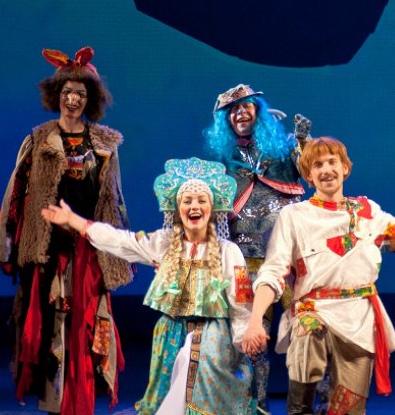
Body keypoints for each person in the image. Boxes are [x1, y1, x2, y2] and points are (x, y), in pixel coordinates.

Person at [241, 136, 395, 415]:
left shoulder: (367, 212)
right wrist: (255, 320)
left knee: (350, 407)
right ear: (308, 176)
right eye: (318, 165)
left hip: (358, 316)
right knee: (307, 341)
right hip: (313, 309)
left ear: (344, 168)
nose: (326, 169)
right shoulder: (294, 216)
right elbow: (273, 270)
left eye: (332, 162)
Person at [0, 46, 134, 414]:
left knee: (86, 329)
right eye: (67, 92)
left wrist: (128, 248)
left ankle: (81, 404)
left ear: (90, 99)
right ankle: (54, 403)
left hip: (89, 252)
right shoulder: (38, 140)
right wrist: (3, 247)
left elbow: (116, 201)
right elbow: (15, 195)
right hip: (47, 252)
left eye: (80, 93)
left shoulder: (105, 146)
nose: (72, 99)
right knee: (50, 328)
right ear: (56, 95)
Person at [41, 157, 257, 415]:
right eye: (187, 201)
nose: (194, 206)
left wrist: (243, 335)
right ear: (177, 209)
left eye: (201, 201)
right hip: (171, 335)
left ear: (212, 209)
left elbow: (241, 299)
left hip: (213, 338)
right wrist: (76, 221)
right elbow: (123, 242)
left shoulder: (228, 251)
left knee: (204, 395)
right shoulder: (164, 243)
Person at [203, 83, 310, 412]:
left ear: (258, 112)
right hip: (246, 259)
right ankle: (255, 404)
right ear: (226, 120)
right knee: (252, 337)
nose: (240, 113)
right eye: (233, 110)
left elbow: (309, 171)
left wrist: (303, 141)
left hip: (289, 258)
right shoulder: (223, 161)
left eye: (246, 106)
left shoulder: (283, 148)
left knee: (307, 330)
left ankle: (312, 404)